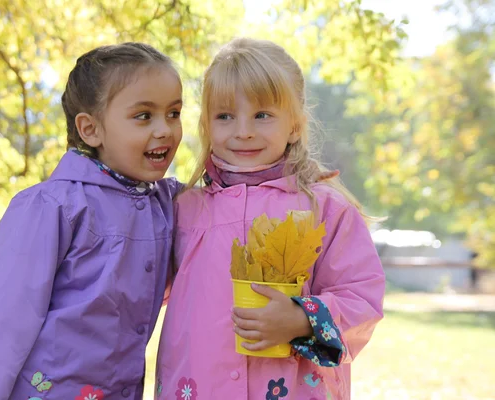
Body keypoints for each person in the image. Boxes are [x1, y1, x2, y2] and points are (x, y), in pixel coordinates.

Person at [0, 42, 183, 400]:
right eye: (144, 116)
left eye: (174, 113)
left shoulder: (167, 204)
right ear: (90, 130)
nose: (165, 129)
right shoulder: (54, 207)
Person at [156, 38, 385, 400]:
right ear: (206, 125)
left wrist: (301, 319)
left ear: (294, 126)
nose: (243, 130)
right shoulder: (183, 208)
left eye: (262, 115)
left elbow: (362, 298)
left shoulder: (324, 209)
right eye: (225, 116)